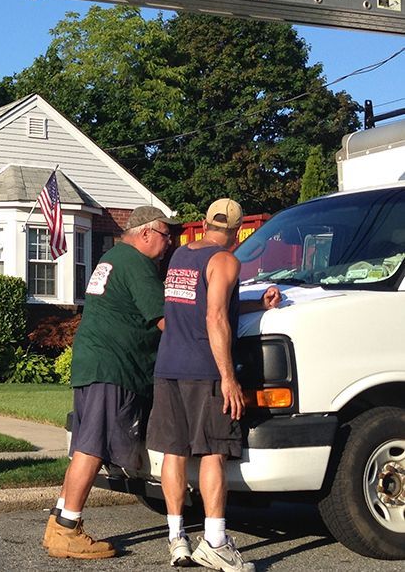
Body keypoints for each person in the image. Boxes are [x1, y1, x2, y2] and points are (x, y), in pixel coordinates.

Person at [147, 198, 281, 570]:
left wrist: (256, 303)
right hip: (202, 369)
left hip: (168, 366)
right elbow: (216, 315)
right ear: (238, 232)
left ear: (206, 224)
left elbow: (201, 305)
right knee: (213, 453)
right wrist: (228, 377)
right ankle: (216, 542)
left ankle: (177, 539)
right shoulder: (225, 260)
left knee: (174, 452)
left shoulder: (180, 257)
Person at [44, 205, 178, 560]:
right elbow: (163, 319)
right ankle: (68, 530)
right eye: (166, 236)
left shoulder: (113, 257)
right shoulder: (136, 263)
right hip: (113, 367)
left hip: (93, 362)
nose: (169, 244)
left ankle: (59, 521)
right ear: (146, 233)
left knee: (86, 444)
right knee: (93, 447)